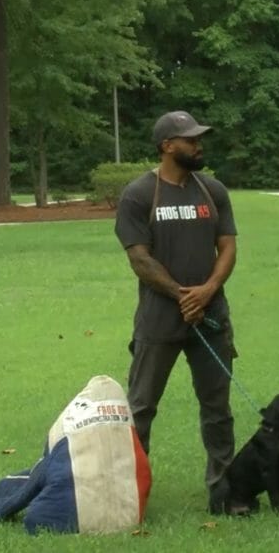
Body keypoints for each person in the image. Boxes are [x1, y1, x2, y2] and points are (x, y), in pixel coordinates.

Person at [114, 110, 239, 501]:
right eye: (191, 140)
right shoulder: (138, 194)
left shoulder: (212, 190)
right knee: (141, 407)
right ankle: (130, 494)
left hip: (211, 318)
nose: (199, 145)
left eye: (199, 139)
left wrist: (208, 291)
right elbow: (139, 258)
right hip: (159, 320)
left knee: (217, 408)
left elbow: (228, 247)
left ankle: (223, 491)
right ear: (167, 145)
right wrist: (183, 295)